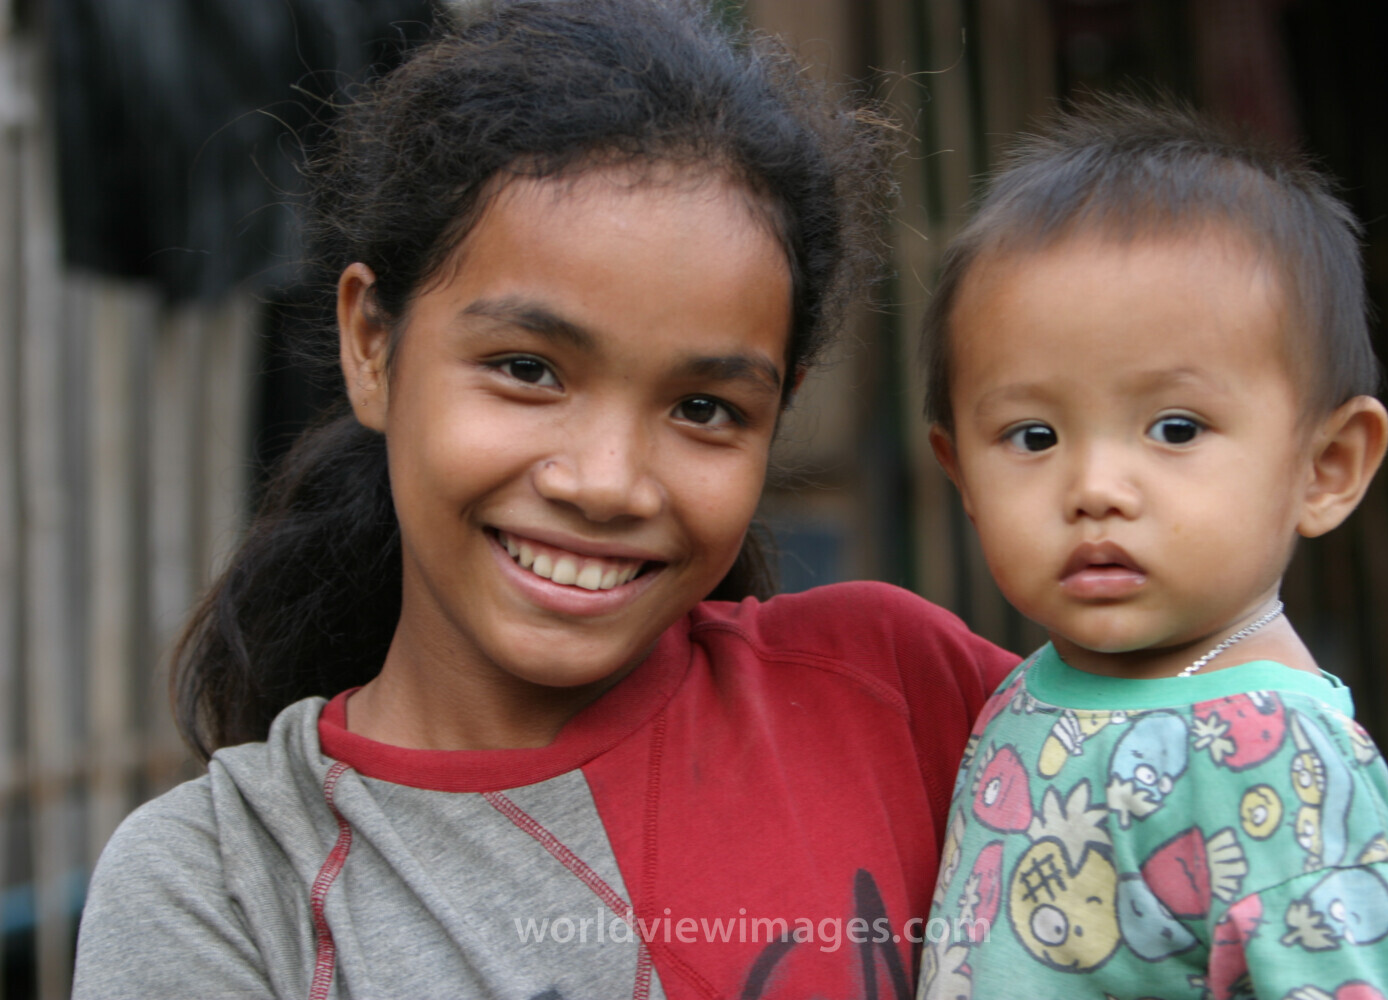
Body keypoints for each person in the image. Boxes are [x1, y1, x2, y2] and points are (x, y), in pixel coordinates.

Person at [70, 2, 1020, 997]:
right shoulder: (223, 883)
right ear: (371, 344)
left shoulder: (900, 698)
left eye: (704, 407)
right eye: (527, 369)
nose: (606, 481)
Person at [915, 98, 1388, 1000]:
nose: (1095, 488)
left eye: (1174, 427)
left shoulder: (1281, 758)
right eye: (1034, 436)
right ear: (961, 474)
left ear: (1325, 468)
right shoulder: (1028, 688)